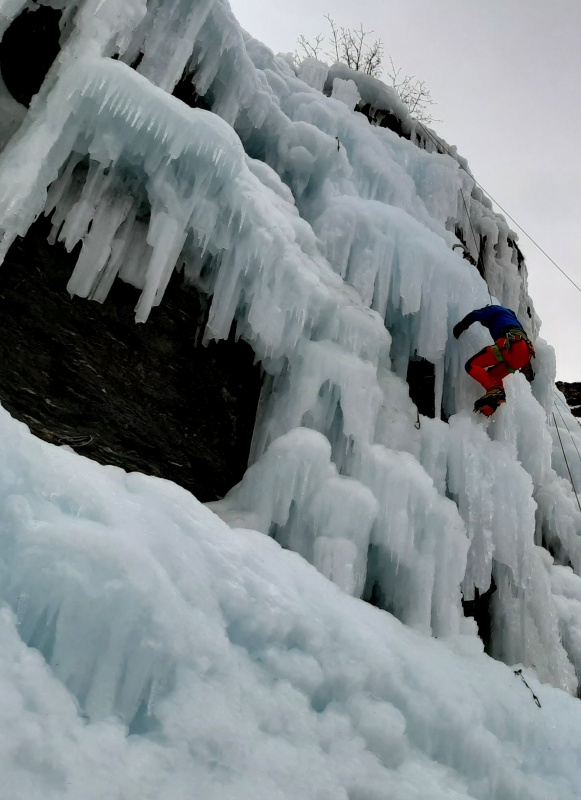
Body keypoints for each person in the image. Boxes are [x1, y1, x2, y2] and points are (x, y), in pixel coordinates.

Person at [453, 304, 535, 416]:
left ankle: (493, 390)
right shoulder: (512, 318)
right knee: (493, 375)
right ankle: (493, 403)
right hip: (523, 356)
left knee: (472, 365)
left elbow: (476, 315)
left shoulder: (495, 309)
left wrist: (461, 326)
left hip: (511, 346)